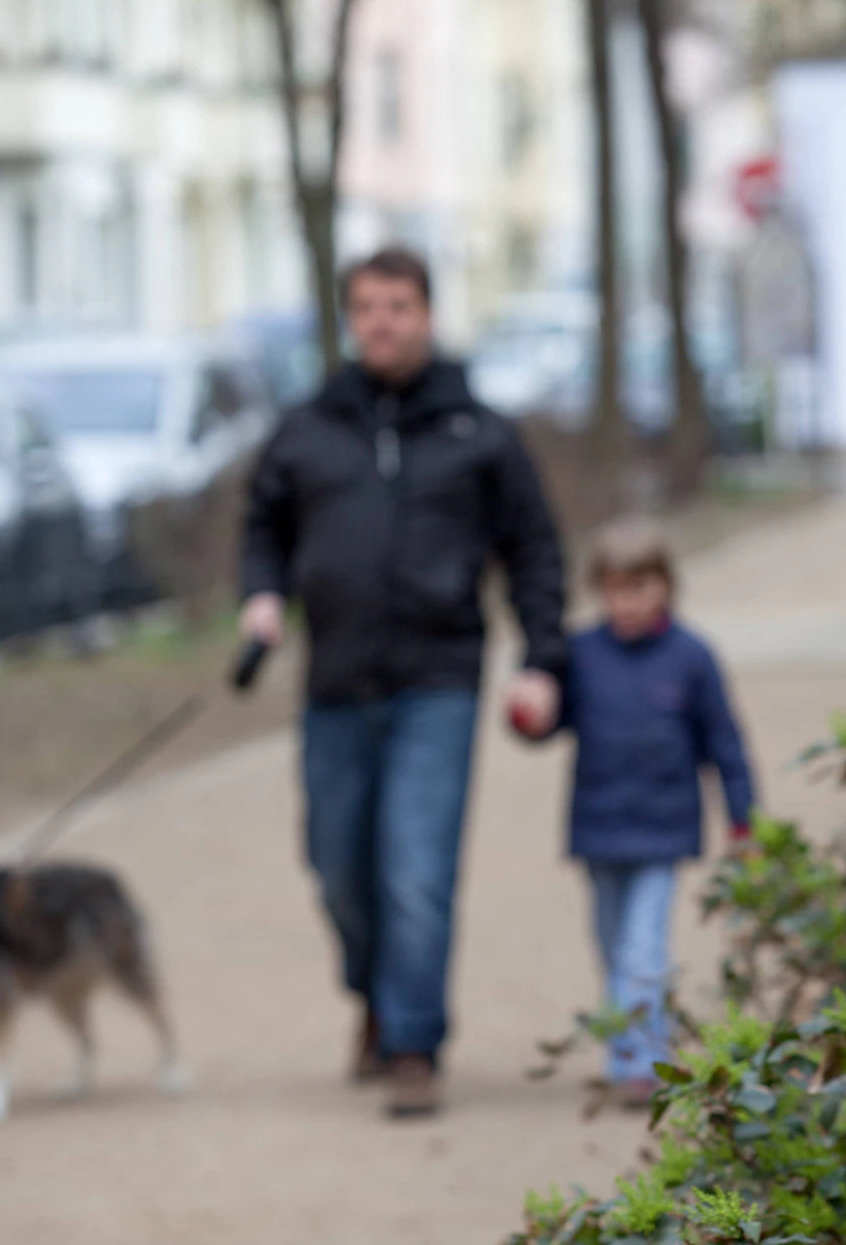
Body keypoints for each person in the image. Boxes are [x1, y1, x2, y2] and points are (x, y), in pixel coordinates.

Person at [240, 246, 566, 1119]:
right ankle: (377, 998)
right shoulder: (309, 426)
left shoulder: (480, 433)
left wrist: (542, 657)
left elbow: (534, 550)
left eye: (398, 306)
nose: (381, 322)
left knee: (416, 870)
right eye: (367, 307)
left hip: (439, 680)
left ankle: (414, 1042)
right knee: (340, 869)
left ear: (427, 314)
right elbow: (262, 523)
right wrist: (262, 597)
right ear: (351, 319)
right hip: (335, 682)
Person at [534, 519, 756, 1109]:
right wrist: (528, 713)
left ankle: (637, 1063)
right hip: (599, 828)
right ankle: (644, 1038)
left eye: (637, 589)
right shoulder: (581, 654)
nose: (625, 603)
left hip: (662, 828)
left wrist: (743, 820)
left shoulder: (691, 656)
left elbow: (724, 742)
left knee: (642, 950)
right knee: (611, 947)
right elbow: (552, 719)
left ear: (665, 587)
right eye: (613, 591)